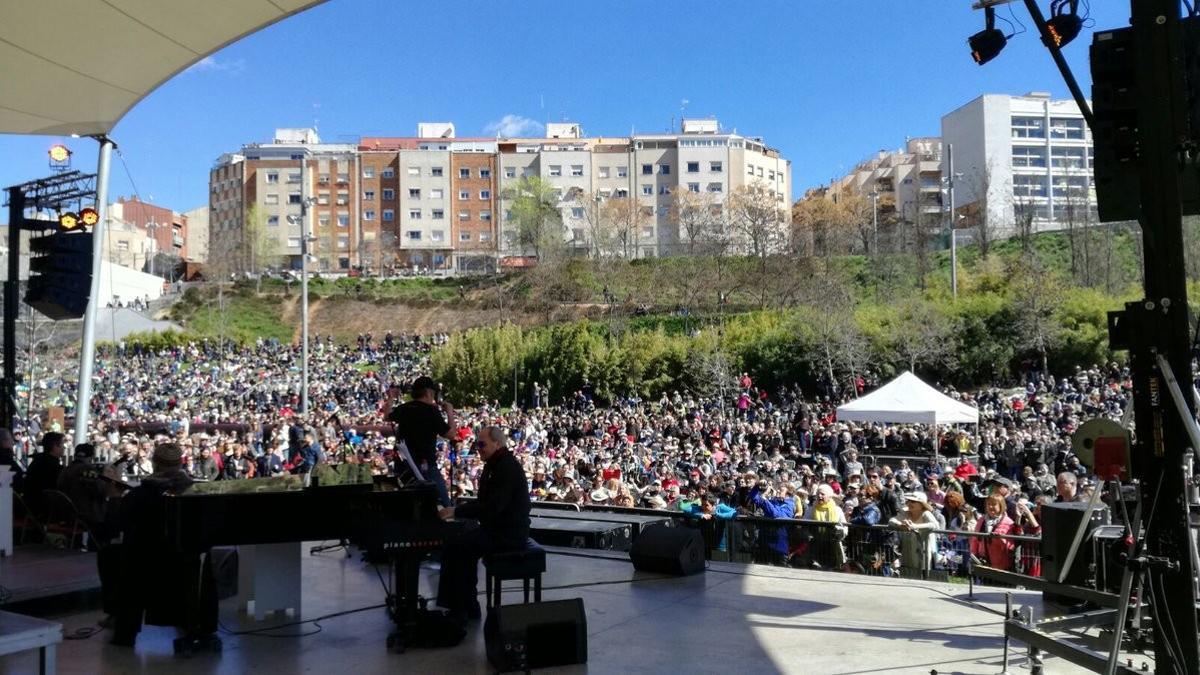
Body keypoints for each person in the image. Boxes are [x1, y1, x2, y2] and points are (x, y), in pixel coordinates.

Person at [111, 443, 218, 649]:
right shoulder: (193, 493)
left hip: (143, 559)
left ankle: (125, 632)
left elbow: (119, 522)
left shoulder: (139, 495)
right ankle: (200, 629)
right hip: (183, 559)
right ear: (180, 463)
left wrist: (114, 497)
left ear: (155, 463)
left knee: (120, 563)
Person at [435, 426, 530, 626]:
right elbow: (485, 503)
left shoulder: (506, 467)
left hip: (508, 533)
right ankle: (467, 605)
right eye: (477, 444)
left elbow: (493, 507)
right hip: (497, 528)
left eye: (482, 444)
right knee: (457, 543)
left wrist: (457, 511)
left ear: (497, 443)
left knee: (459, 547)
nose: (478, 448)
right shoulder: (493, 464)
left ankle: (459, 610)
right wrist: (459, 510)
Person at [386, 376, 457, 507]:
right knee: (444, 505)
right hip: (425, 466)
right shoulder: (431, 411)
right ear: (429, 392)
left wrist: (390, 398)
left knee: (407, 506)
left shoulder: (404, 408)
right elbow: (451, 434)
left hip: (403, 466)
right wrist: (450, 413)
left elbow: (387, 416)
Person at [889, 492, 939, 578]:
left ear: (921, 504)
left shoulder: (926, 513)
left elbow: (935, 525)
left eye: (913, 501)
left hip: (923, 550)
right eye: (909, 501)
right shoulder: (905, 512)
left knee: (924, 573)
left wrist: (916, 526)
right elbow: (891, 521)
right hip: (908, 549)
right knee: (908, 574)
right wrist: (900, 525)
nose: (909, 503)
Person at [22, 431, 66, 514]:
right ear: (55, 446)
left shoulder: (36, 461)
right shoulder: (53, 466)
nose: (64, 448)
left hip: (29, 505)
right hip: (45, 509)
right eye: (62, 445)